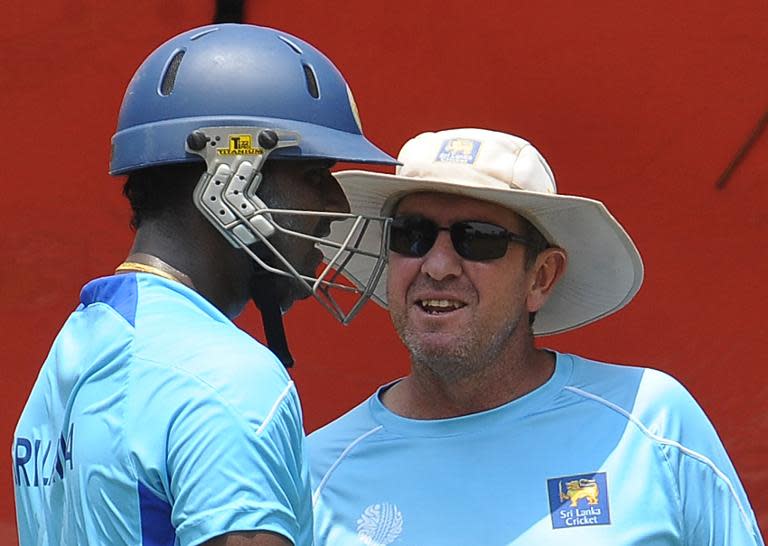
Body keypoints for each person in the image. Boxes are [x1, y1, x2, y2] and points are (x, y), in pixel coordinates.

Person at [12, 23, 396, 546]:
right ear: (228, 181)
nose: (337, 206)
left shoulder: (71, 356)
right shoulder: (227, 380)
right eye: (314, 173)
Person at [308, 128, 765, 545]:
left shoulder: (652, 425)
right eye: (412, 235)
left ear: (542, 277)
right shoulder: (317, 471)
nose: (437, 265)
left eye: (478, 238)